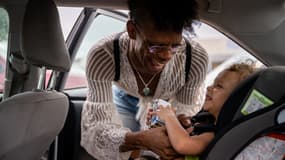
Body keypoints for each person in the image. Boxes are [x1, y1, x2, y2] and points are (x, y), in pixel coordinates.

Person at [80, 0, 209, 159]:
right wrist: (141, 139)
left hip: (169, 105)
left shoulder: (195, 59)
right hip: (123, 99)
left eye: (175, 46)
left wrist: (177, 123)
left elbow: (184, 112)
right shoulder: (104, 55)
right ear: (132, 30)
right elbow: (97, 130)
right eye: (156, 46)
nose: (166, 56)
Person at [148, 63, 256, 159]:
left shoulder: (213, 135)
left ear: (234, 100)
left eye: (218, 86)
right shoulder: (203, 123)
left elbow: (183, 145)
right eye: (213, 83)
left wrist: (169, 117)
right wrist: (165, 124)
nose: (209, 87)